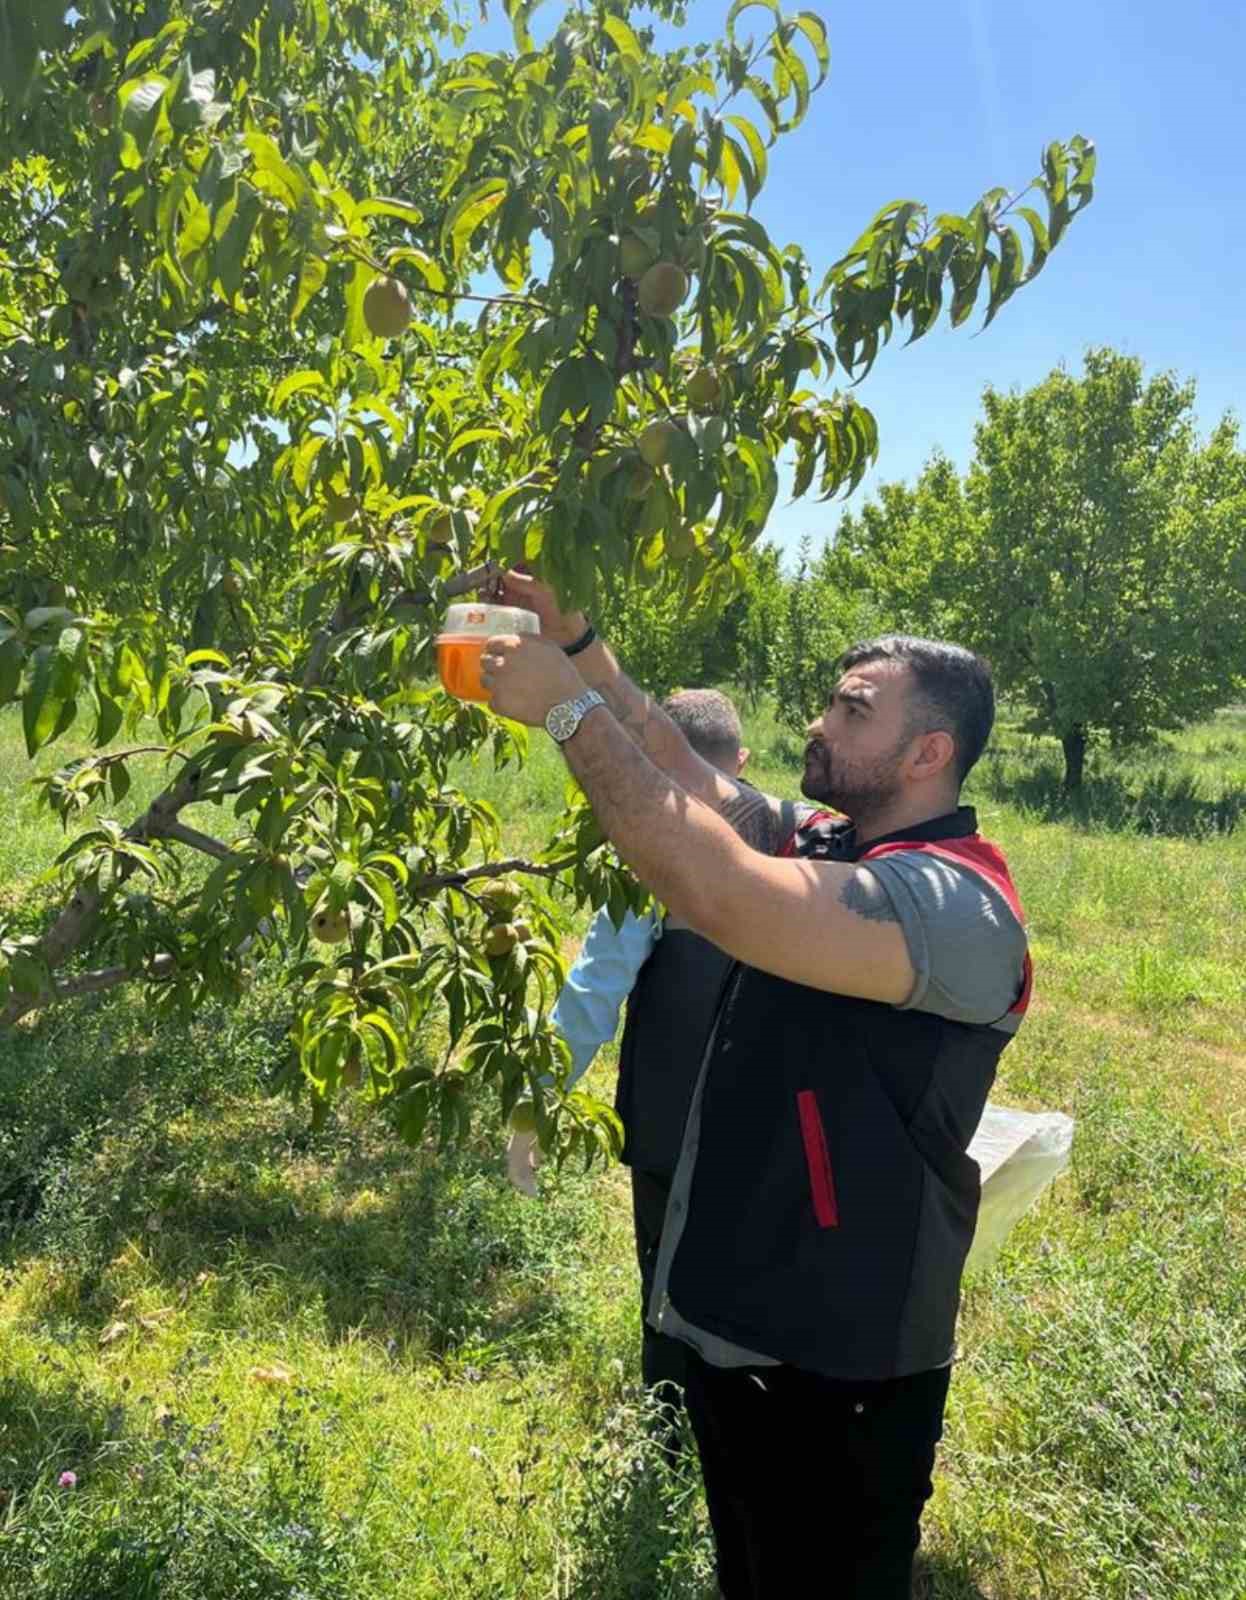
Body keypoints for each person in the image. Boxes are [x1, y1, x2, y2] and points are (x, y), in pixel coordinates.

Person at [480, 572, 1031, 1600]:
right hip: (751, 1321)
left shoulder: (951, 904)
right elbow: (683, 768)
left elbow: (719, 888)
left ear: (928, 753)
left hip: (843, 1360)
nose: (818, 720)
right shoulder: (836, 839)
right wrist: (585, 643)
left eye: (850, 709)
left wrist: (563, 706)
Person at [510, 688, 798, 1421]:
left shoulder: (647, 856)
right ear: (742, 763)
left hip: (673, 1121)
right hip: (778, 1122)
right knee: (764, 1275)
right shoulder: (796, 840)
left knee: (668, 1283)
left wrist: (534, 1104)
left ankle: (667, 1433)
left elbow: (592, 994)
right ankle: (750, 1424)